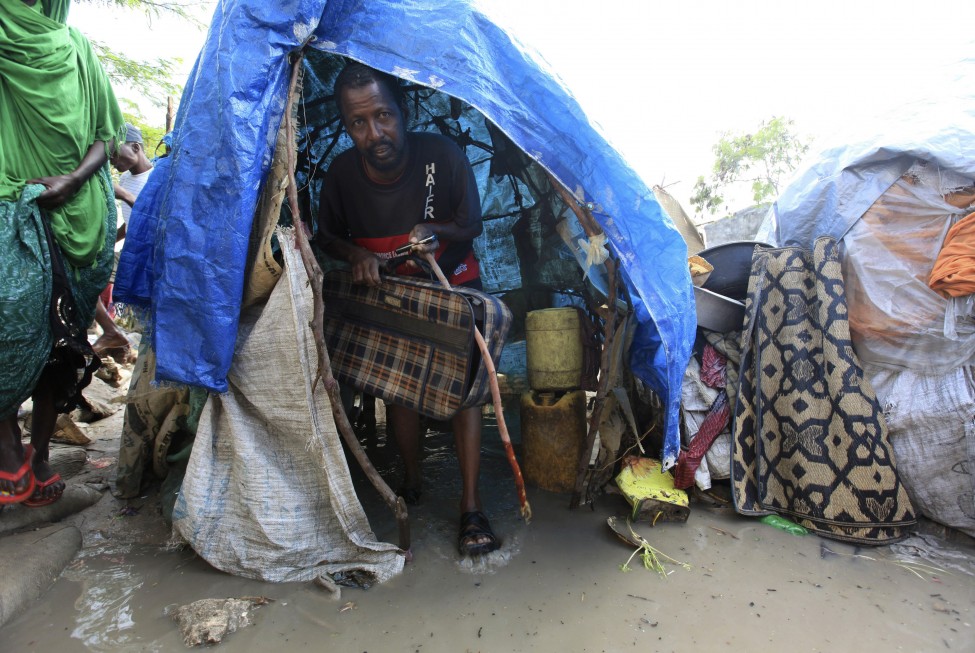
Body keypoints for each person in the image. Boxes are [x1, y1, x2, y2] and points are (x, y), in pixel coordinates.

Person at [316, 62, 499, 557]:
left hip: (450, 284)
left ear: (404, 111)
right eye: (359, 123)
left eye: (383, 116)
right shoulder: (340, 177)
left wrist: (434, 233)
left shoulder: (443, 156)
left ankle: (470, 504)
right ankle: (412, 474)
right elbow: (324, 236)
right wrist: (357, 255)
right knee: (400, 386)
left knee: (465, 390)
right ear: (347, 127)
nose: (374, 132)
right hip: (392, 293)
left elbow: (473, 224)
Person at [0, 0, 125, 507]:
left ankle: (42, 453)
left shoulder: (77, 49)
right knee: (9, 323)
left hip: (77, 212)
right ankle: (8, 443)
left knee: (64, 343)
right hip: (10, 205)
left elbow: (103, 135)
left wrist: (73, 179)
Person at [91, 123, 154, 355]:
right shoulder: (126, 178)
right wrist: (109, 243)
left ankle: (116, 337)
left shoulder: (156, 177)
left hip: (147, 256)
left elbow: (151, 220)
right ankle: (111, 333)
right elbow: (130, 224)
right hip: (130, 251)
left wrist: (126, 196)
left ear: (136, 147)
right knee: (87, 281)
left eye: (116, 154)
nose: (113, 162)